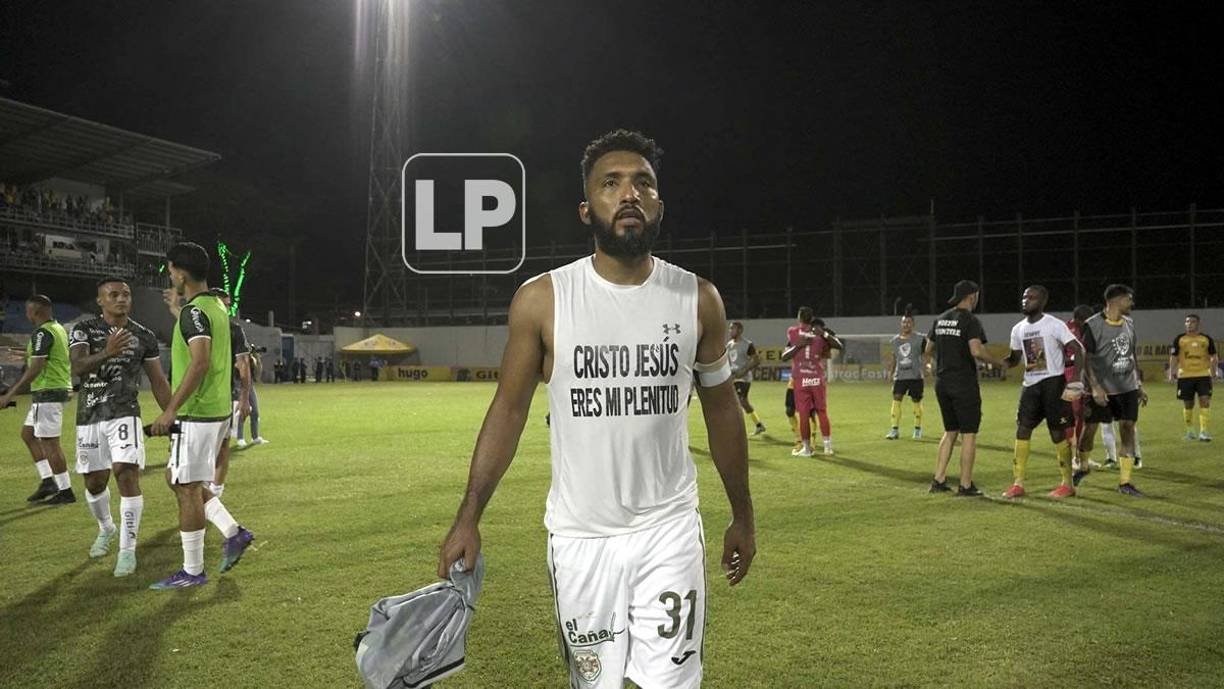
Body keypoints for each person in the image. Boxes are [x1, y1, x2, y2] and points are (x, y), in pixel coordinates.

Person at [436, 130, 754, 688]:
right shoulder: (544, 299)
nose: (628, 194)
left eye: (643, 183)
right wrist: (469, 515)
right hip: (581, 539)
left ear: (659, 205)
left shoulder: (698, 299)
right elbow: (508, 412)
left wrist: (742, 515)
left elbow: (723, 412)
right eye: (611, 184)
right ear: (587, 209)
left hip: (669, 530)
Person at [147, 242, 255, 589]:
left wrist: (171, 409)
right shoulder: (214, 308)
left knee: (186, 487)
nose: (170, 276)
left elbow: (200, 361)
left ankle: (193, 570)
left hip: (197, 413)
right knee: (177, 479)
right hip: (214, 411)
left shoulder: (197, 311)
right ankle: (233, 531)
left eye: (170, 270)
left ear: (178, 271)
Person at [69, 277, 171, 576]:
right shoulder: (84, 330)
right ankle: (106, 528)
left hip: (125, 413)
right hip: (90, 416)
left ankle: (127, 551)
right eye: (113, 295)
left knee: (127, 475)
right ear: (100, 301)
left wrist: (172, 414)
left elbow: (158, 381)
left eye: (126, 294)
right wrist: (107, 352)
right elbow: (76, 368)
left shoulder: (144, 336)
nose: (121, 299)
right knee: (94, 482)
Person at [1000, 286, 1084, 499]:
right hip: (1030, 386)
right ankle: (1018, 484)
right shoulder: (1018, 329)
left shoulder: (1054, 325)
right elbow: (1014, 359)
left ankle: (1067, 484)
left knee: (1057, 432)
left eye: (1031, 297)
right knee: (1022, 429)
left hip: (1053, 383)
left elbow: (1078, 349)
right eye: (1024, 297)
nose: (1025, 300)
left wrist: (1074, 378)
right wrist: (995, 362)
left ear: (1043, 301)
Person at [925, 280, 1007, 496]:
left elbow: (928, 348)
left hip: (942, 382)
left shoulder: (940, 318)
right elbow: (976, 351)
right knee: (969, 433)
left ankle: (938, 479)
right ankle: (966, 484)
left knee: (950, 431)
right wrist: (1000, 362)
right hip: (963, 383)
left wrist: (946, 359)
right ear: (972, 296)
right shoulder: (970, 320)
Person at [1, 295, 76, 504]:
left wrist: (9, 394)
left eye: (28, 310)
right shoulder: (57, 328)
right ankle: (48, 481)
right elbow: (48, 356)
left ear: (36, 312)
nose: (26, 314)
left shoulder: (42, 332)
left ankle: (66, 490)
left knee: (51, 443)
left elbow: (37, 367)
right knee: (28, 434)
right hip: (50, 390)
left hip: (48, 391)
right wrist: (24, 355)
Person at [1074, 284, 1146, 496]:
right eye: (1129, 299)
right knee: (1089, 430)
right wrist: (1095, 387)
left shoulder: (1130, 323)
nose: (1131, 303)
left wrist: (1138, 385)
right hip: (1100, 390)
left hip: (1127, 388)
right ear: (1116, 300)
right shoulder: (1093, 325)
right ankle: (1083, 466)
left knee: (1127, 428)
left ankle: (1125, 482)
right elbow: (1086, 359)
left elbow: (1132, 354)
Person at [781, 309, 840, 456]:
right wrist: (825, 334)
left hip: (801, 379)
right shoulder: (820, 335)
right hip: (816, 377)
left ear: (798, 317)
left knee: (804, 414)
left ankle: (806, 448)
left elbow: (784, 356)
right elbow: (838, 346)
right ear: (812, 318)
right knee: (821, 411)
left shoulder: (793, 333)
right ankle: (828, 447)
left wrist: (799, 345)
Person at [1168, 313, 1218, 442]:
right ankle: (1190, 431)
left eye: (1192, 322)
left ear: (1198, 324)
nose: (1189, 324)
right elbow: (1174, 357)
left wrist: (1213, 372)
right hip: (1185, 376)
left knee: (1205, 401)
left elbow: (1213, 356)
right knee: (1188, 404)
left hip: (1203, 375)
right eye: (1187, 322)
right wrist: (1171, 373)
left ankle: (1204, 432)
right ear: (1185, 324)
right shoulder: (1180, 339)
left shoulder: (1206, 339)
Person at [884, 308, 929, 440]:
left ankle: (917, 429)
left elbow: (927, 354)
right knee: (896, 399)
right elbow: (894, 358)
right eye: (904, 322)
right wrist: (890, 373)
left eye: (908, 322)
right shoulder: (895, 341)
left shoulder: (920, 339)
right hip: (900, 376)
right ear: (901, 324)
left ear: (913, 324)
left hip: (915, 375)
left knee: (916, 401)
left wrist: (927, 366)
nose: (906, 325)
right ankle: (894, 430)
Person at [1064, 305, 1095, 468]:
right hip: (1070, 377)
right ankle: (1070, 458)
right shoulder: (1065, 329)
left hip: (1085, 378)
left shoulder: (1087, 330)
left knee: (1084, 416)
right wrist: (1072, 358)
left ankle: (1082, 456)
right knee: (1071, 417)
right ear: (1078, 320)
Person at [727, 321, 765, 435]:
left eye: (732, 328)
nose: (730, 331)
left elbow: (757, 360)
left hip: (743, 378)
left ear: (739, 330)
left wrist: (744, 370)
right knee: (743, 402)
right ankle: (759, 424)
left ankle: (736, 429)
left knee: (740, 400)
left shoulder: (748, 344)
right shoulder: (728, 345)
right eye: (729, 329)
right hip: (733, 377)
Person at [236, 350, 268, 448]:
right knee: (242, 412)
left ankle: (255, 437)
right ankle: (240, 438)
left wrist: (257, 359)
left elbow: (257, 375)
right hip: (239, 385)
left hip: (250, 385)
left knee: (255, 412)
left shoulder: (251, 360)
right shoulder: (238, 358)